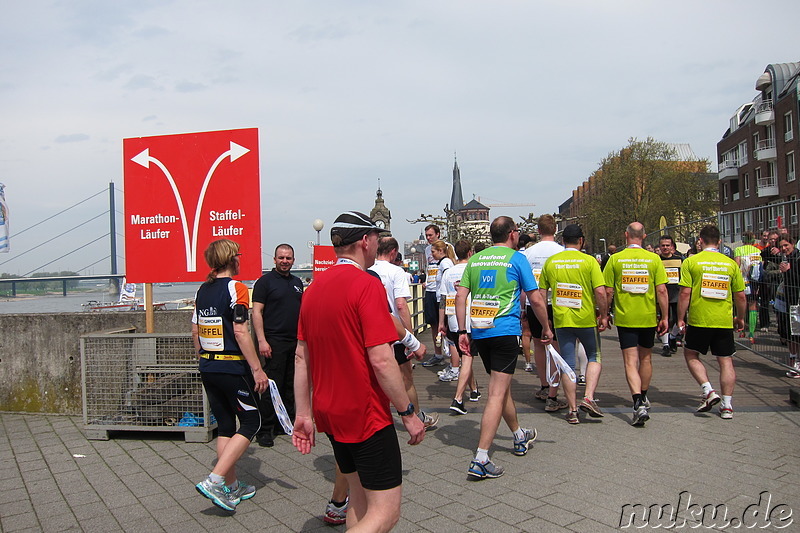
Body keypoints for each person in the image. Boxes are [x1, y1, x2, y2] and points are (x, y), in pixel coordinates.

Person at [293, 211, 425, 532]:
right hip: (364, 414)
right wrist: (407, 412)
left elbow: (300, 357)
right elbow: (381, 359)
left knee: (359, 498)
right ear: (365, 241)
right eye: (376, 239)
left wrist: (303, 414)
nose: (377, 244)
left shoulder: (313, 289)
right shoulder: (366, 285)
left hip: (329, 412)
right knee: (386, 512)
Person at [455, 216, 552, 480]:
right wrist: (546, 327)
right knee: (496, 393)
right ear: (511, 233)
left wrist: (463, 331)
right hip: (505, 330)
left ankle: (519, 436)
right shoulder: (516, 258)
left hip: (480, 331)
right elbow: (535, 297)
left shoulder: (476, 259)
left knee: (502, 386)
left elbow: (460, 295)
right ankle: (481, 458)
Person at [193, 239, 269, 512]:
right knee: (251, 422)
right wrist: (257, 368)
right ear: (230, 259)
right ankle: (214, 480)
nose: (240, 259)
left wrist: (203, 358)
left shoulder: (203, 290)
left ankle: (231, 486)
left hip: (208, 366)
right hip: (231, 367)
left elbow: (195, 331)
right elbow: (240, 331)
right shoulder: (236, 288)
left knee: (225, 426)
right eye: (238, 255)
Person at [538, 224, 609, 424]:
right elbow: (601, 292)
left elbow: (542, 294)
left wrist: (546, 323)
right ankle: (588, 397)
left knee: (568, 364)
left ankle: (573, 410)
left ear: (562, 241)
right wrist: (603, 315)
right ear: (581, 241)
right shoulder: (589, 261)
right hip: (586, 318)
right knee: (594, 355)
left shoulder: (552, 262)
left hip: (562, 320)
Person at [603, 222, 669, 426]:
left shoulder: (615, 259)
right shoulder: (654, 259)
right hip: (648, 316)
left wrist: (605, 314)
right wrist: (665, 316)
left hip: (626, 317)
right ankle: (644, 395)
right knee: (646, 359)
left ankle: (637, 401)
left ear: (626, 235)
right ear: (644, 236)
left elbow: (608, 291)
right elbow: (661, 291)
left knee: (630, 361)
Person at [677, 225, 746, 420]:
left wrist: (681, 318)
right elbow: (740, 296)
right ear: (719, 241)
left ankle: (708, 390)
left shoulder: (692, 262)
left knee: (691, 354)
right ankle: (727, 406)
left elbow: (685, 293)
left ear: (700, 240)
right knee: (725, 361)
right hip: (723, 319)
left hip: (699, 318)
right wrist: (740, 318)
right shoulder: (730, 264)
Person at [369, 236, 438, 428]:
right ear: (393, 252)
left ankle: (379, 418)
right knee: (406, 380)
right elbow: (401, 305)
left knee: (376, 379)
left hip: (374, 334)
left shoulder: (368, 270)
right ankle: (417, 418)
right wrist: (411, 337)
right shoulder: (396, 272)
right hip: (395, 334)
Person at [251, 244, 303, 448]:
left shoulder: (297, 282)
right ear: (274, 259)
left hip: (294, 341)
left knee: (291, 385)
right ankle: (265, 429)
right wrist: (262, 340)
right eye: (281, 258)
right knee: (271, 385)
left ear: (293, 260)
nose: (285, 261)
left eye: (288, 258)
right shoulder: (264, 282)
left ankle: (286, 423)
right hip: (274, 341)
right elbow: (257, 312)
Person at [523, 214, 566, 412]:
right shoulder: (562, 252)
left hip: (534, 304)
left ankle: (544, 385)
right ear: (555, 230)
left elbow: (523, 286)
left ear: (538, 231)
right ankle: (553, 392)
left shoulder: (528, 254)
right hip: (557, 303)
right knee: (556, 348)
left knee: (539, 346)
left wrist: (523, 308)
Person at [438, 239, 480, 414]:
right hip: (472, 319)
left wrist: (442, 323)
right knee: (468, 358)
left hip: (454, 320)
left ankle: (474, 389)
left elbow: (442, 299)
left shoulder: (448, 272)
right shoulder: (475, 269)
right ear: (470, 253)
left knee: (465, 357)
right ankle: (458, 398)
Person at [430, 240, 457, 380]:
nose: (431, 254)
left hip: (445, 302)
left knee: (450, 337)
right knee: (449, 337)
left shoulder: (445, 264)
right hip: (444, 300)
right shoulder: (444, 263)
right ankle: (454, 365)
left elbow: (447, 283)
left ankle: (455, 368)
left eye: (434, 251)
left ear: (441, 251)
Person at [421, 224, 449, 366]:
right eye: (426, 235)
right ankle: (438, 354)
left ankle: (453, 354)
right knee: (433, 323)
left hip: (443, 291)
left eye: (430, 235)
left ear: (438, 234)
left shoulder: (447, 247)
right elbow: (428, 268)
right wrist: (426, 281)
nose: (428, 238)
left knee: (447, 323)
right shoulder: (427, 250)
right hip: (431, 289)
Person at [777, 235, 800, 378]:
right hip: (790, 301)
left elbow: (797, 278)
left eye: (786, 245)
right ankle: (793, 362)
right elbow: (765, 254)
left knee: (796, 333)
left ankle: (796, 364)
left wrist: (788, 271)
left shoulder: (797, 258)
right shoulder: (786, 258)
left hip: (797, 300)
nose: (784, 249)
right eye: (781, 247)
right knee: (792, 333)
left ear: (792, 244)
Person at [733, 231, 763, 344]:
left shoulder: (739, 250)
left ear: (743, 240)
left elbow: (736, 265)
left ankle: (741, 330)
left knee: (741, 305)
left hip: (742, 281)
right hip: (754, 282)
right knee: (753, 305)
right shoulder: (757, 251)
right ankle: (751, 334)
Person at [658, 235, 684, 357]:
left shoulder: (679, 259)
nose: (665, 248)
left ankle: (673, 336)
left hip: (676, 293)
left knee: (679, 319)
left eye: (667, 245)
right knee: (664, 319)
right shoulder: (656, 260)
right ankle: (666, 345)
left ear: (672, 246)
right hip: (662, 293)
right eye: (663, 245)